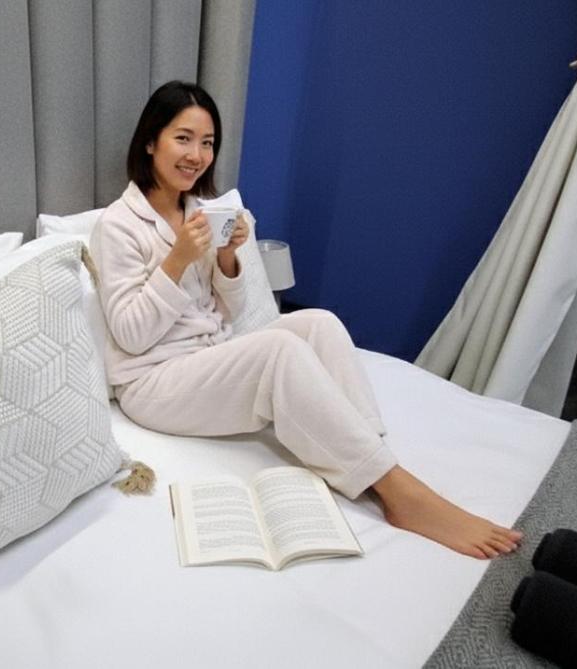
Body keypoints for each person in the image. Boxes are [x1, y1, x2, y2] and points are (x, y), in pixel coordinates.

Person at [88, 81, 522, 559]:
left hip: (208, 355)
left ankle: (373, 454)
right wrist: (177, 260)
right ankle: (401, 494)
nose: (197, 155)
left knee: (318, 323)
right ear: (151, 142)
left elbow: (229, 311)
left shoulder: (199, 211)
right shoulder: (117, 225)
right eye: (183, 138)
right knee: (278, 350)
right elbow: (130, 335)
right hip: (154, 382)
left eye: (207, 143)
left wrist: (228, 256)